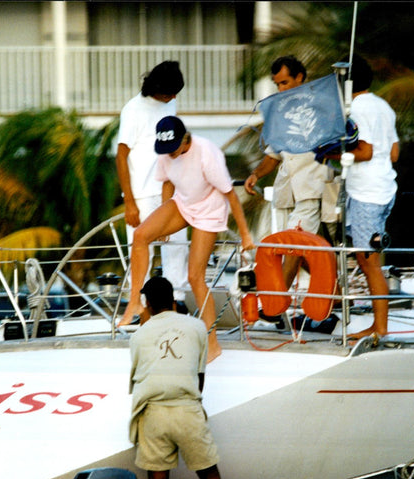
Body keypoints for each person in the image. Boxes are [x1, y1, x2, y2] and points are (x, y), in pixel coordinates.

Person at [117, 116, 254, 363]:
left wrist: (245, 235)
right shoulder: (165, 152)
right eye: (164, 150)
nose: (168, 154)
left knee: (194, 277)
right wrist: (164, 218)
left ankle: (213, 344)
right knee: (140, 235)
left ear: (185, 140)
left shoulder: (206, 153)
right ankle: (135, 301)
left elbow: (231, 196)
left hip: (209, 210)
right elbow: (168, 182)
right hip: (183, 203)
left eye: (172, 149)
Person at [128, 276, 226, 479]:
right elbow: (199, 376)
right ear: (173, 300)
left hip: (153, 413)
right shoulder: (197, 327)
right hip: (187, 409)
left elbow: (138, 377)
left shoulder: (138, 336)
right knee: (210, 475)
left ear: (148, 304)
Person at [244, 56, 333, 288]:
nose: (280, 89)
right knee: (294, 250)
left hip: (313, 188)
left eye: (284, 83)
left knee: (294, 246)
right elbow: (273, 155)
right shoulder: (281, 113)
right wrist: (256, 174)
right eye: (277, 85)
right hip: (287, 192)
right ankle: (335, 290)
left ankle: (277, 301)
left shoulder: (321, 107)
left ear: (300, 78)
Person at [116, 61, 190, 311]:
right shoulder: (133, 110)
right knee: (140, 252)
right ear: (157, 88)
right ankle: (138, 307)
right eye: (170, 92)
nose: (173, 97)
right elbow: (121, 155)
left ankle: (177, 302)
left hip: (171, 191)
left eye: (175, 93)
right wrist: (129, 202)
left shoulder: (171, 103)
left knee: (177, 249)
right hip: (142, 195)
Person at [342, 55, 400, 339]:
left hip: (366, 193)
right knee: (369, 259)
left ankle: (379, 328)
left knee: (369, 263)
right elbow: (393, 153)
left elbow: (364, 152)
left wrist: (333, 154)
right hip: (384, 190)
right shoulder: (383, 106)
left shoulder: (356, 108)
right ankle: (379, 325)